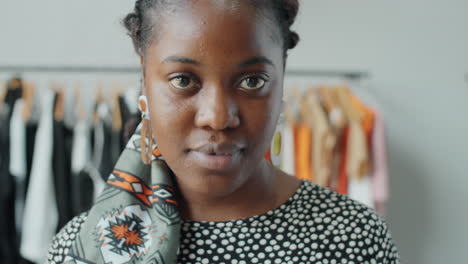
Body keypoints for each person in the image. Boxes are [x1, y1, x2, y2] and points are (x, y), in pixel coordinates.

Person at [47, 0, 400, 263]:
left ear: (282, 77)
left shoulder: (352, 238)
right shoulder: (78, 250)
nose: (217, 117)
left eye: (252, 81)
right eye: (183, 80)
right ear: (144, 78)